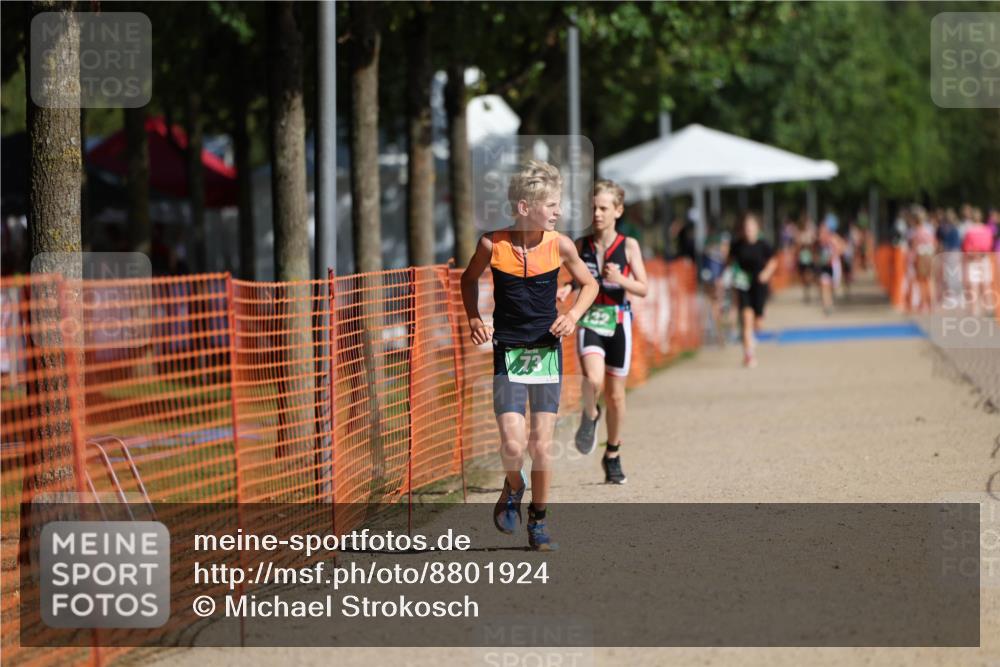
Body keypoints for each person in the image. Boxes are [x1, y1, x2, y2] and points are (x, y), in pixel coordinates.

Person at [460, 160, 598, 551]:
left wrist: (571, 315)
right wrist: (474, 317)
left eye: (559, 204)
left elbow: (588, 285)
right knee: (512, 444)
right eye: (551, 204)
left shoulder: (561, 245)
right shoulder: (492, 244)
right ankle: (514, 486)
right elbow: (468, 279)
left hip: (546, 352)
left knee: (541, 444)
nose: (559, 211)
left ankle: (538, 520)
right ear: (524, 207)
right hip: (507, 350)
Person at [558, 180, 648, 485]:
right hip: (590, 319)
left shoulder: (629, 245)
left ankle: (612, 454)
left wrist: (621, 280)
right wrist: (567, 288)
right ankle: (589, 413)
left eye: (603, 208)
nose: (596, 213)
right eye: (593, 207)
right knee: (592, 381)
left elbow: (643, 287)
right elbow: (579, 278)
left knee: (616, 395)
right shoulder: (580, 245)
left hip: (619, 321)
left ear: (618, 211)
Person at [728, 212, 777, 368]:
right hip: (743, 285)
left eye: (751, 226)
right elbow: (729, 262)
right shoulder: (736, 245)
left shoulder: (763, 245)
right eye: (746, 226)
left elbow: (773, 261)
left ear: (757, 228)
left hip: (759, 285)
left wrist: (766, 273)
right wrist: (732, 275)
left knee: (758, 324)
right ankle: (748, 355)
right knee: (746, 319)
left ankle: (751, 339)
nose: (748, 229)